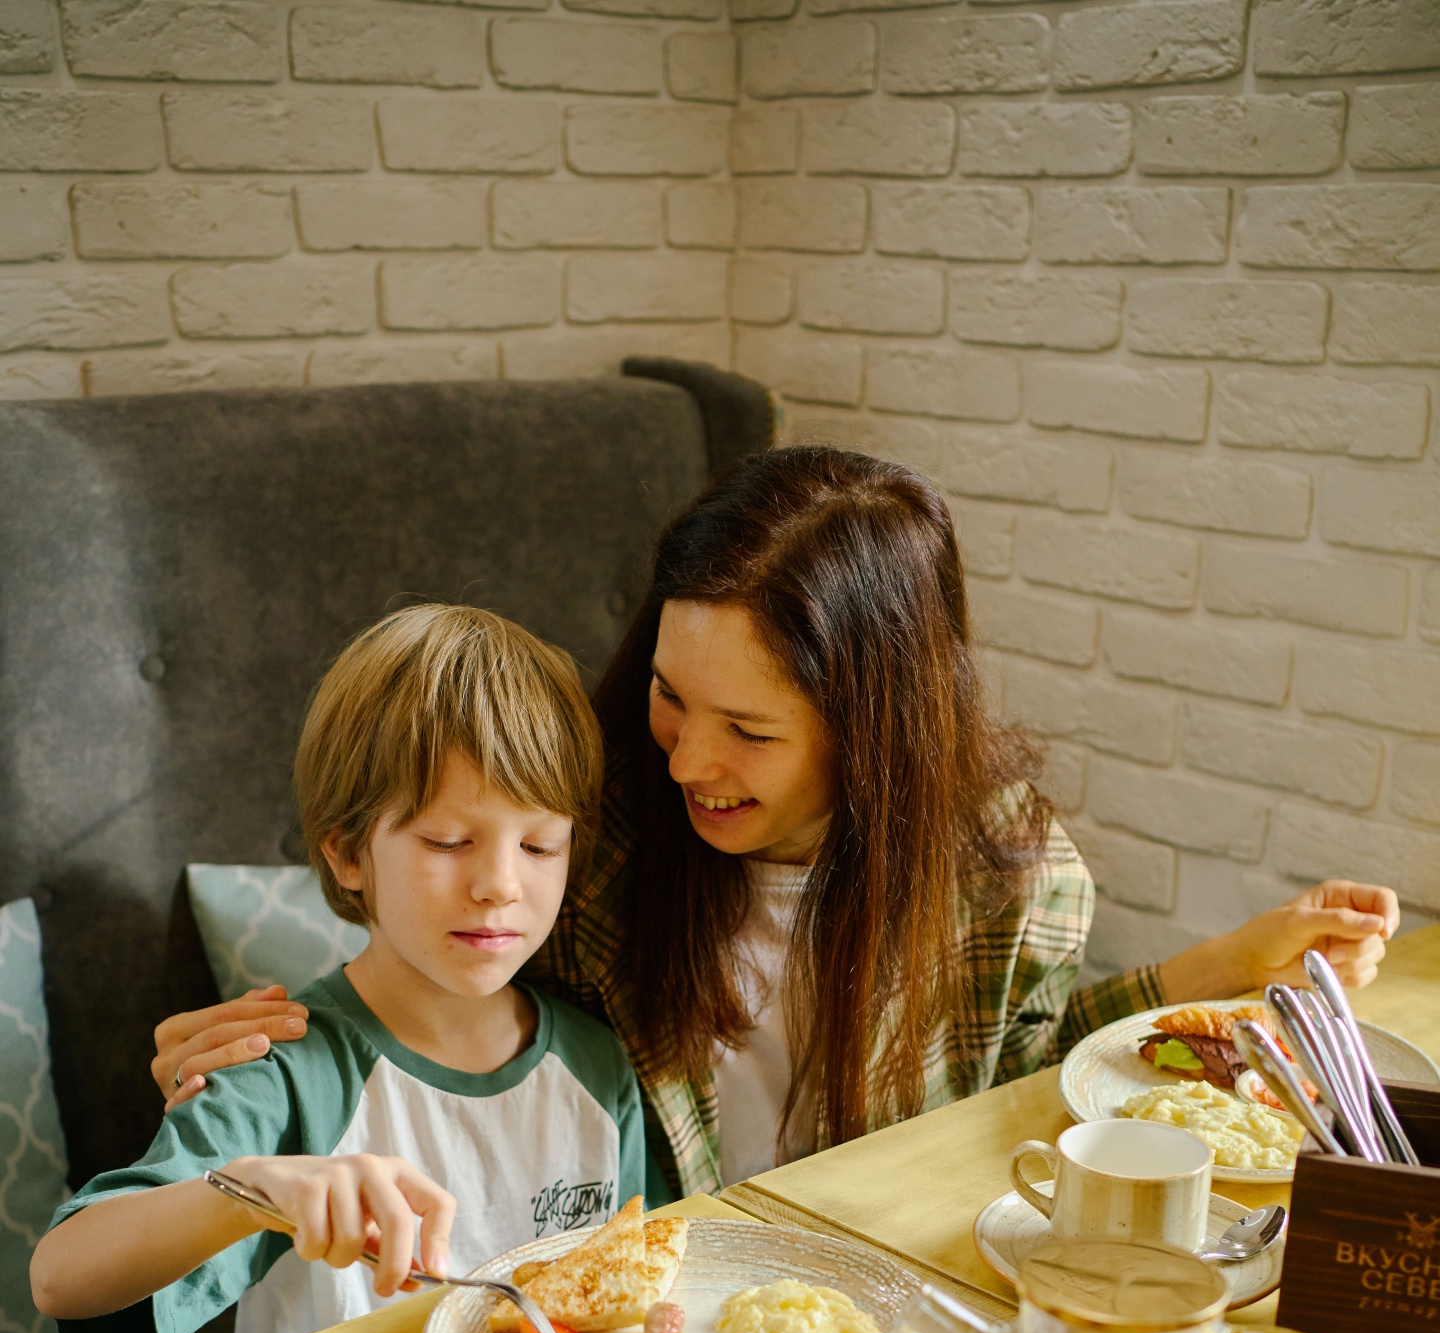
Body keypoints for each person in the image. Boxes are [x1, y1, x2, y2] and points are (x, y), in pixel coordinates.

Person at [147, 447, 1400, 1202]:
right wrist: (280, 1067)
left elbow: (1005, 1079)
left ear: (879, 730)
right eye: (669, 695)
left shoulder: (1008, 872)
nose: (689, 758)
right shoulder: (594, 845)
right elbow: (442, 1000)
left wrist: (1222, 973)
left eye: (750, 732)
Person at [30, 605, 646, 1333]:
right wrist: (249, 1190)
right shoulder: (281, 1068)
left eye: (538, 845)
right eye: (449, 842)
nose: (499, 885)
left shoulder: (596, 1064)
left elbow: (632, 1314)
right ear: (349, 852)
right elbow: (61, 1276)